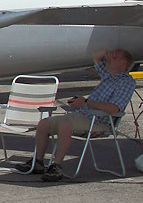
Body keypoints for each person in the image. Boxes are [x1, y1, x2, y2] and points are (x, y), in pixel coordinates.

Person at [27, 48, 136, 182]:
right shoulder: (109, 76)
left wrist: (85, 102)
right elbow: (96, 57)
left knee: (65, 125)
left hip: (98, 121)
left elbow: (113, 109)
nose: (108, 59)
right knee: (44, 124)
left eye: (114, 57)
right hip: (81, 116)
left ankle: (56, 166)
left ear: (123, 63)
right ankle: (37, 162)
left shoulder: (126, 82)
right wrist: (108, 51)